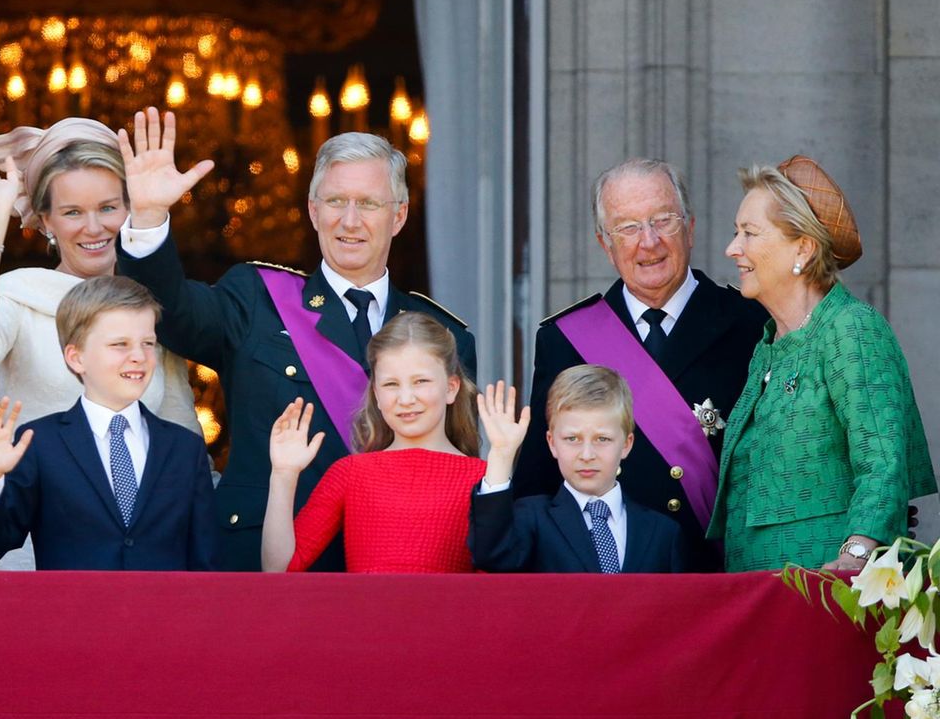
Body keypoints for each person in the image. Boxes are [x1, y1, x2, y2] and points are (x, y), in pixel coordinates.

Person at [117, 108, 475, 571]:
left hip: (401, 568)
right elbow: (173, 316)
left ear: (399, 216)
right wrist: (147, 218)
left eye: (368, 204)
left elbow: (456, 467)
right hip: (269, 564)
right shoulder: (256, 297)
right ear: (312, 210)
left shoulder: (444, 333)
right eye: (334, 202)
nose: (349, 221)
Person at [0, 117, 202, 569]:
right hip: (29, 553)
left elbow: (180, 432)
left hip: (141, 568)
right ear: (45, 219)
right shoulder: (19, 293)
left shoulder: (148, 308)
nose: (93, 228)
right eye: (72, 212)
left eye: (108, 207)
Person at [511, 158, 768, 570]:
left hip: (717, 576)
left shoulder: (751, 325)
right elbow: (539, 482)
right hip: (609, 582)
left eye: (663, 220)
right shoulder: (565, 339)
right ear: (604, 244)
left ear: (690, 228)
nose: (648, 242)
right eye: (628, 228)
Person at [708, 156, 934, 572]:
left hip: (826, 598)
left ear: (803, 248)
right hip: (759, 595)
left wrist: (854, 558)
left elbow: (883, 463)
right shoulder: (767, 347)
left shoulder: (851, 329)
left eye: (749, 233)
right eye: (735, 232)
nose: (732, 248)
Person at [0, 276, 218, 570]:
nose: (138, 357)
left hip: (164, 615)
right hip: (72, 614)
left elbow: (206, 563)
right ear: (76, 358)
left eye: (148, 344)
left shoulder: (185, 448)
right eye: (120, 344)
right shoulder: (40, 443)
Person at [261, 314, 487, 573]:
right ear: (376, 395)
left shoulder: (484, 479)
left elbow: (496, 586)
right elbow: (278, 569)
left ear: (451, 388)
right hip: (363, 614)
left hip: (450, 614)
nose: (405, 398)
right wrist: (283, 475)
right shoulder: (350, 473)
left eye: (420, 381)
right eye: (391, 384)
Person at [469, 364, 687, 573]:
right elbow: (492, 555)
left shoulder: (662, 533)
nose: (586, 455)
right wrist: (501, 453)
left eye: (602, 439)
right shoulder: (531, 518)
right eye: (572, 438)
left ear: (627, 444)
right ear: (552, 443)